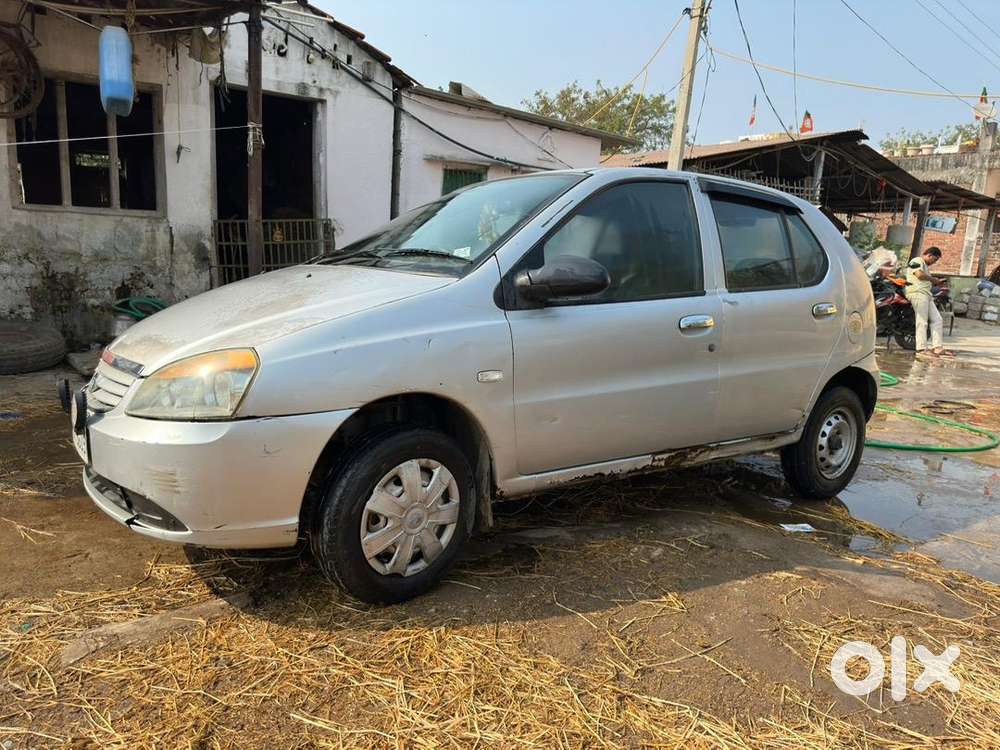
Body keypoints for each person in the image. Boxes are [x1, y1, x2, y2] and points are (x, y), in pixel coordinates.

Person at [905, 246, 952, 358]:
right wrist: (934, 280)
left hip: (926, 295)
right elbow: (919, 275)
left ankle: (937, 347)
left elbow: (924, 276)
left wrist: (935, 281)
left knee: (937, 319)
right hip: (917, 293)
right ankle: (921, 349)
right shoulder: (916, 261)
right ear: (929, 255)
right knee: (922, 321)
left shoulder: (925, 265)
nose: (934, 262)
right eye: (934, 259)